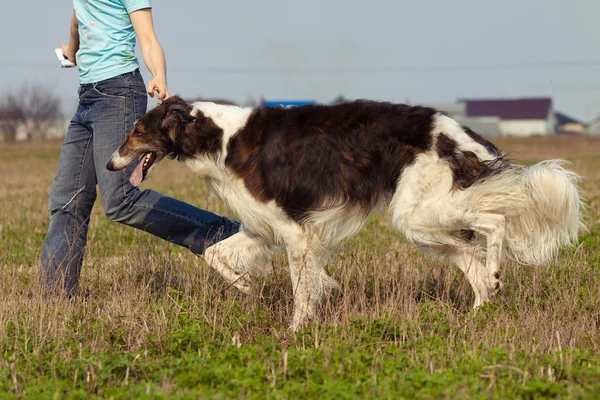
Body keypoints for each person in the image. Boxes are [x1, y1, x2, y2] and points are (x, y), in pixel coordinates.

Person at [42, 0, 242, 297]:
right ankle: (54, 303)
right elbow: (78, 16)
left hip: (117, 92)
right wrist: (72, 48)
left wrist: (159, 75)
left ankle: (222, 235)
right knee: (66, 202)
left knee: (120, 201)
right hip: (87, 97)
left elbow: (147, 38)